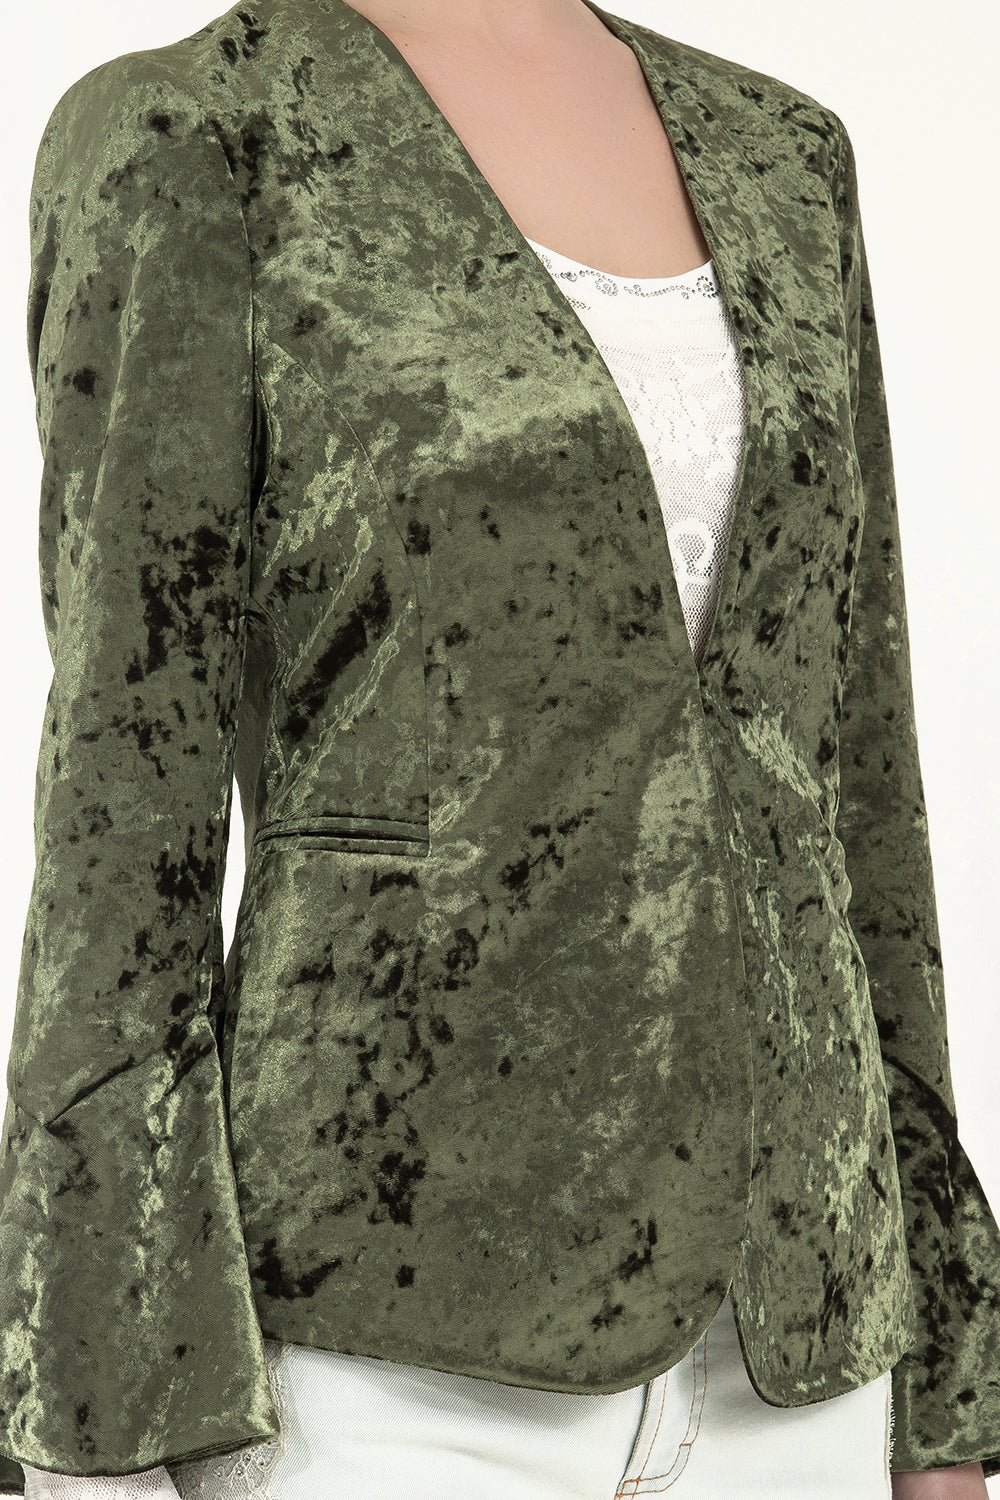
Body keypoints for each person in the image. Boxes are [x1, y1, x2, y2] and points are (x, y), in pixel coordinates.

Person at [2, 1, 998, 1497]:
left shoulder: (787, 152)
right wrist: (101, 1419)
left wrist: (949, 1380)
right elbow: (120, 819)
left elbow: (861, 777)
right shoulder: (195, 134)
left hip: (801, 1338)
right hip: (385, 1345)